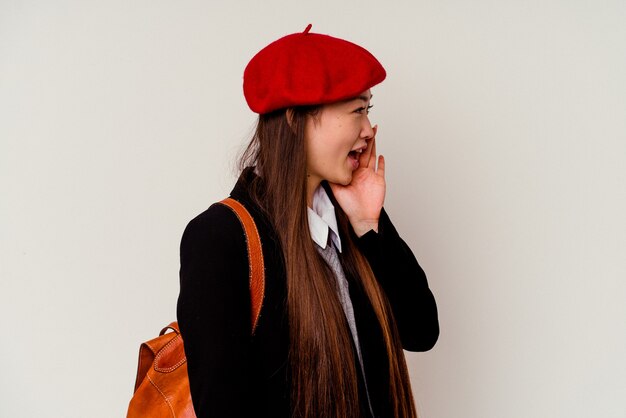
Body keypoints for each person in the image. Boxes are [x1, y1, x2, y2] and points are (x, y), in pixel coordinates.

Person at [177, 24, 439, 418]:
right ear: (295, 120)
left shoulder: (351, 216)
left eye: (369, 110)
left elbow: (421, 331)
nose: (369, 130)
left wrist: (369, 225)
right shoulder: (221, 238)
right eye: (357, 111)